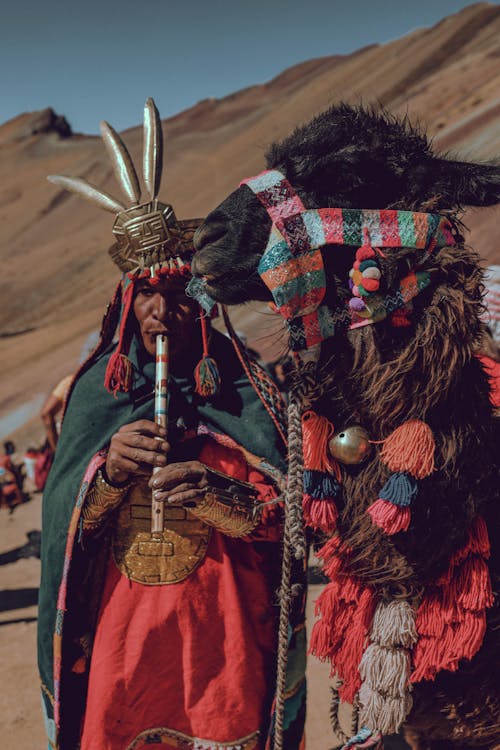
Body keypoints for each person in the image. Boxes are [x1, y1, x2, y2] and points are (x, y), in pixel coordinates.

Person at [37, 100, 305, 750]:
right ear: (126, 303)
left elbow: (295, 521)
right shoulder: (96, 395)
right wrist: (106, 474)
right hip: (126, 642)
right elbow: (61, 535)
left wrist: (224, 501)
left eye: (175, 296)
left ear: (201, 302)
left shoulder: (251, 391)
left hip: (228, 634)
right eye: (145, 296)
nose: (160, 312)